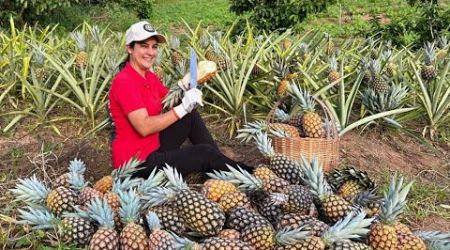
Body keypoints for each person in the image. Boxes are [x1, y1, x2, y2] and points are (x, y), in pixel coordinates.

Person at [108, 20, 252, 179]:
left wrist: (184, 88)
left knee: (189, 116)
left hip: (153, 146)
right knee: (203, 152)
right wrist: (183, 107)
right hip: (137, 164)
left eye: (154, 47)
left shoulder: (149, 76)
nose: (151, 52)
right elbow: (144, 126)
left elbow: (169, 102)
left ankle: (215, 168)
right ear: (129, 48)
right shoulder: (124, 82)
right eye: (143, 46)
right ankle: (251, 175)